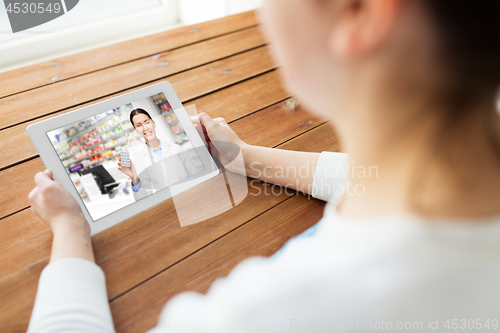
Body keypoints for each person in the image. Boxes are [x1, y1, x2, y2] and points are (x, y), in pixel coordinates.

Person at [27, 0, 500, 332]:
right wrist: (245, 158)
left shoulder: (285, 308)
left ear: (359, 10)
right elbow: (372, 175)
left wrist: (70, 228)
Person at [118, 108, 199, 201]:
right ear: (136, 130)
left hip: (192, 197)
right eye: (139, 125)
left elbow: (195, 174)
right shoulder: (139, 161)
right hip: (169, 204)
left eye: (147, 122)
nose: (145, 128)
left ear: (154, 123)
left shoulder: (175, 148)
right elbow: (144, 199)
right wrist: (134, 178)